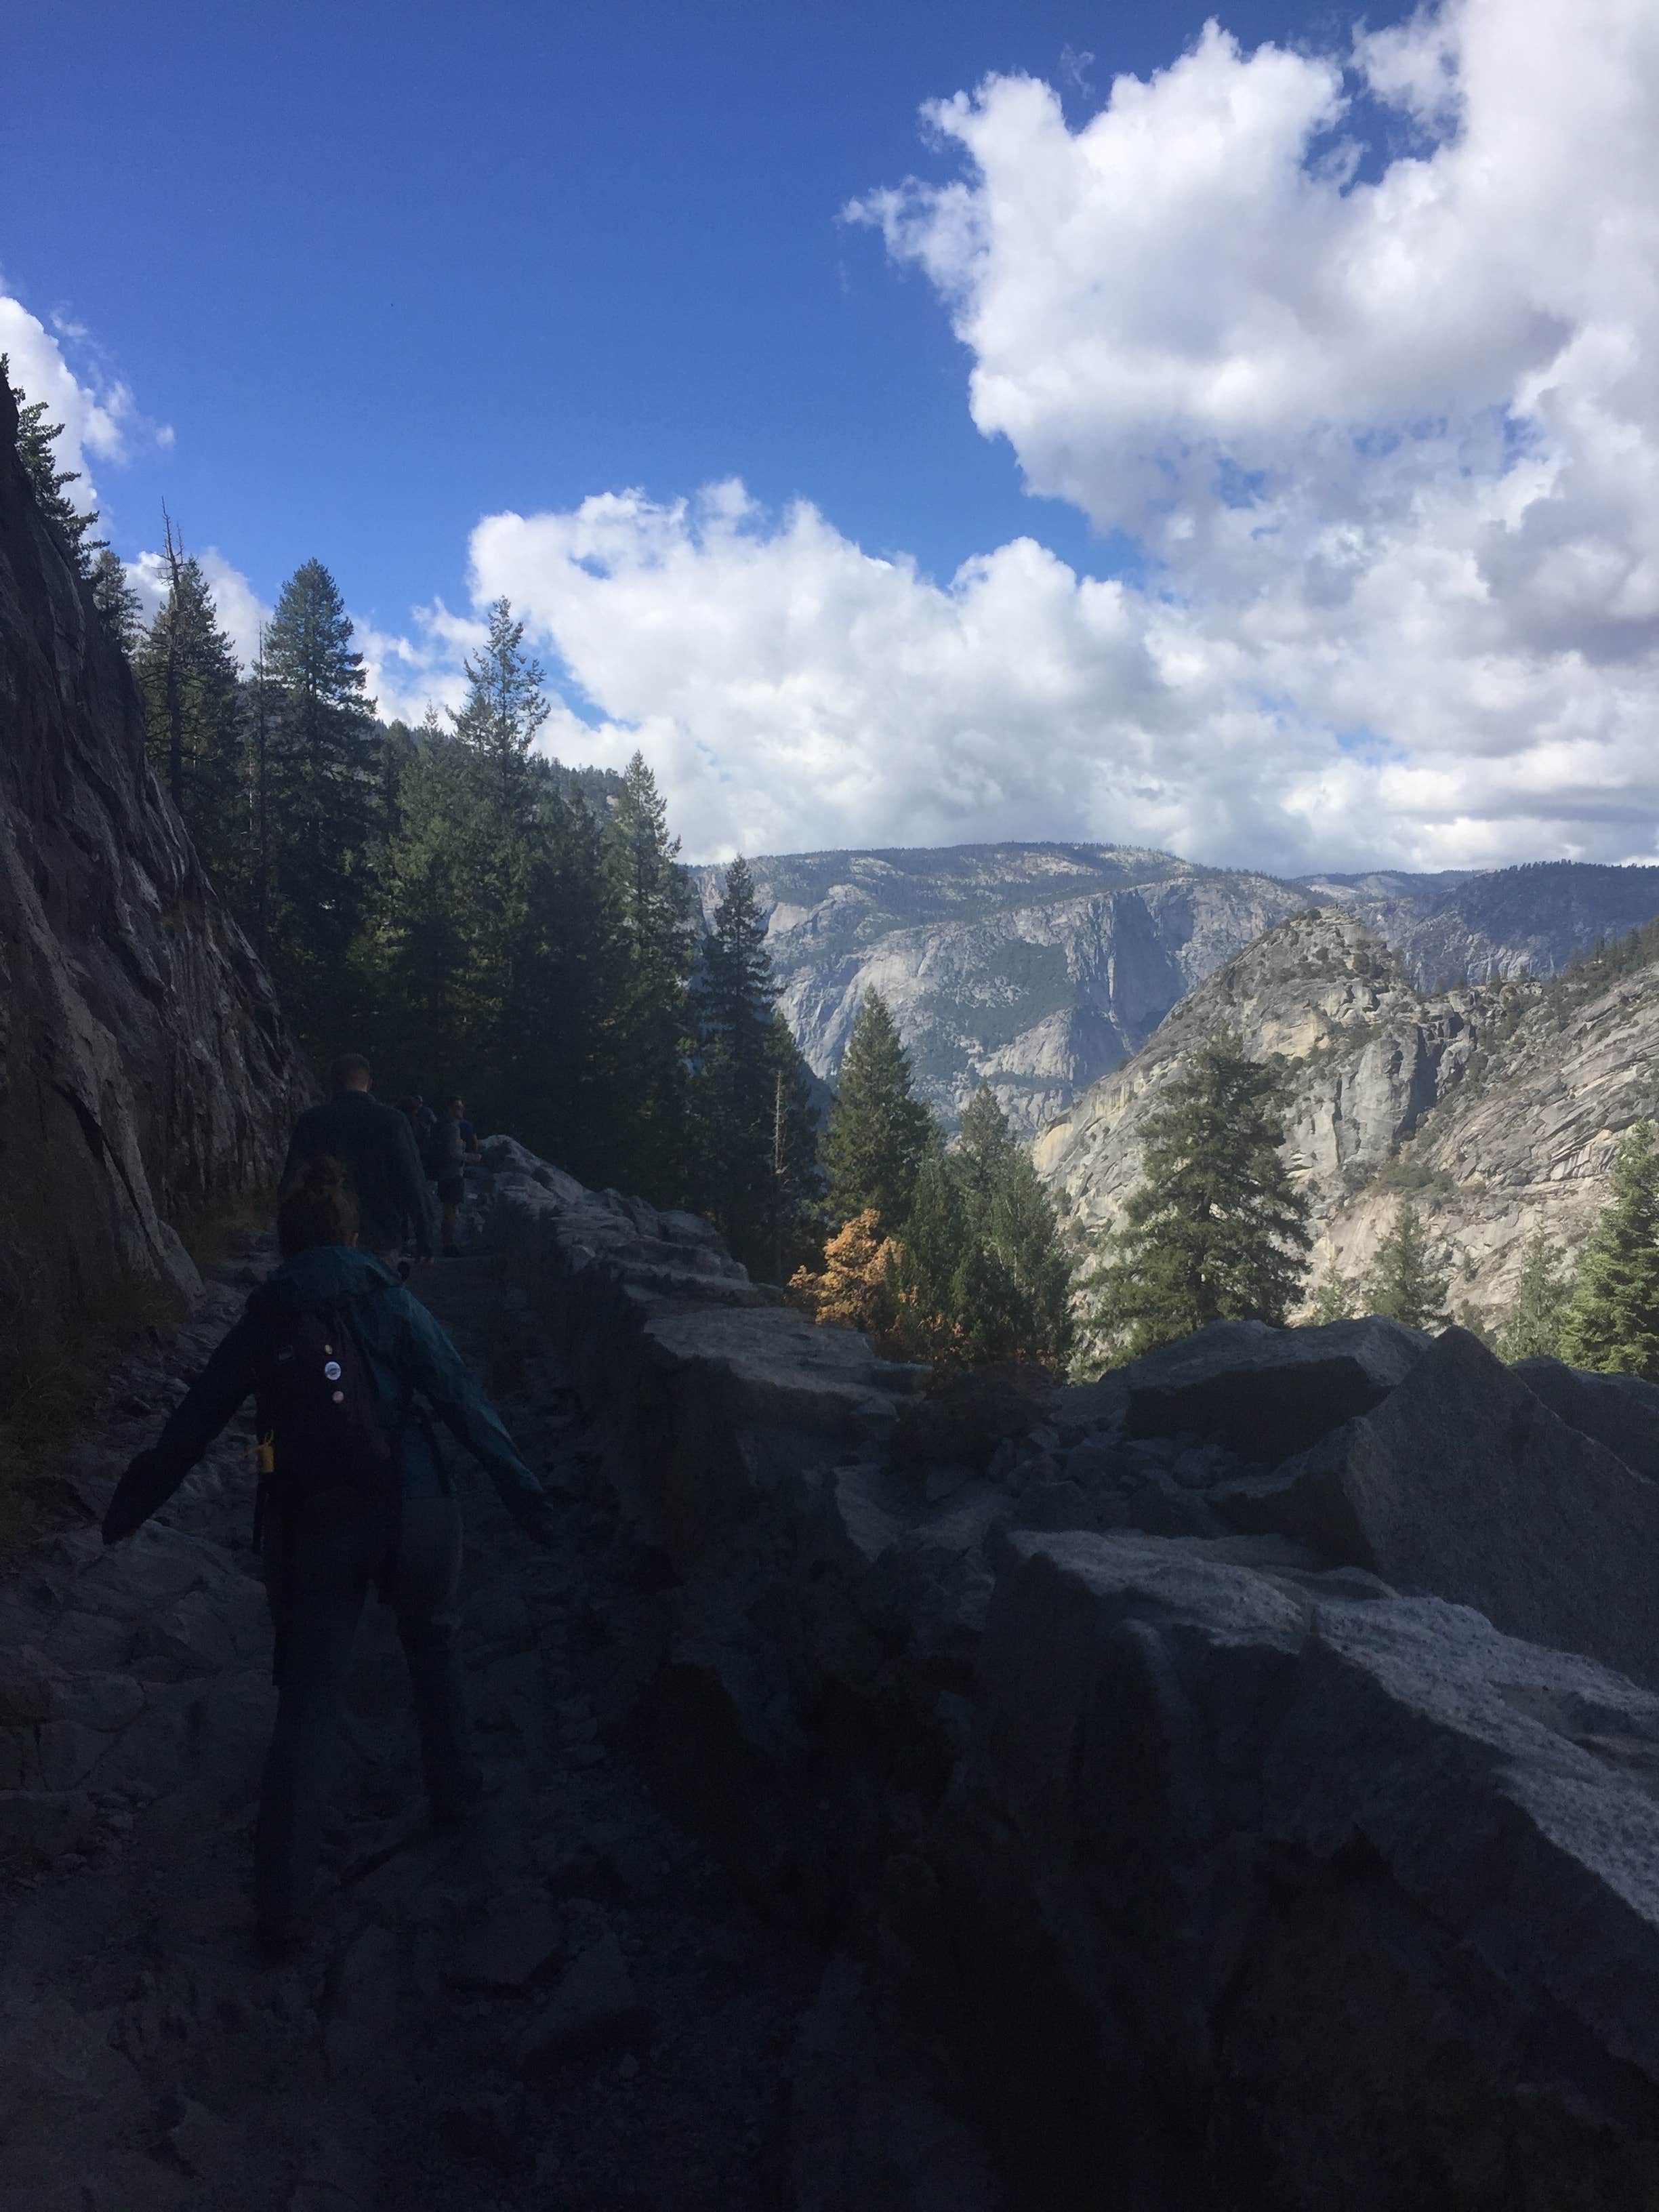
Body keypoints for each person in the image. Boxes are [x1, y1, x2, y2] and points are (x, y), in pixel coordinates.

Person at [100, 1156, 558, 1961]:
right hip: (417, 1509)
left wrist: (129, 1510)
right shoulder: (393, 1299)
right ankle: (455, 1802)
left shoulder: (265, 1319)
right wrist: (526, 1496)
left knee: (308, 1708)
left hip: (312, 1528)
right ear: (352, 1232)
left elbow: (193, 1425)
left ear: (284, 1243)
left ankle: (282, 1909)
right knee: (434, 1646)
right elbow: (462, 1401)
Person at [282, 1053, 433, 1266]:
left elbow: (292, 1181)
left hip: (322, 1233)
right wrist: (425, 1238)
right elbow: (413, 1181)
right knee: (378, 1294)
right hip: (381, 1231)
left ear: (333, 1083)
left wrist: (289, 1239)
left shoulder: (312, 1121)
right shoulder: (392, 1121)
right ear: (370, 1083)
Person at [427, 1096, 480, 1259]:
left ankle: (446, 1242)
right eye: (458, 1107)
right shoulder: (452, 1127)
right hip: (452, 1173)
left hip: (442, 1172)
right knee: (451, 1211)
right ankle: (448, 1245)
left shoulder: (439, 1125)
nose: (462, 1111)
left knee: (448, 1209)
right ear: (449, 1109)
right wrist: (472, 1157)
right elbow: (453, 1153)